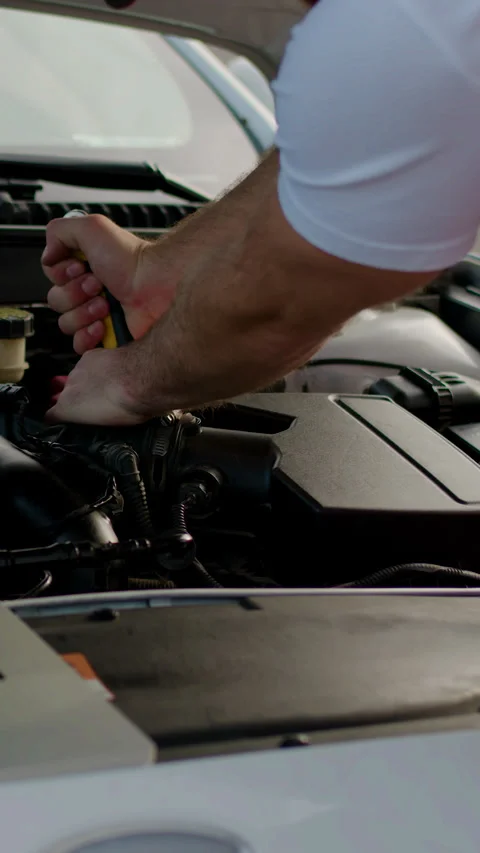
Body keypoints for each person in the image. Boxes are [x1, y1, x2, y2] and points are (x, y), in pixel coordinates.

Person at [42, 0, 480, 425]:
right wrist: (154, 272)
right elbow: (333, 157)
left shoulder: (397, 23)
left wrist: (126, 384)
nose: (119, 2)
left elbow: (293, 293)